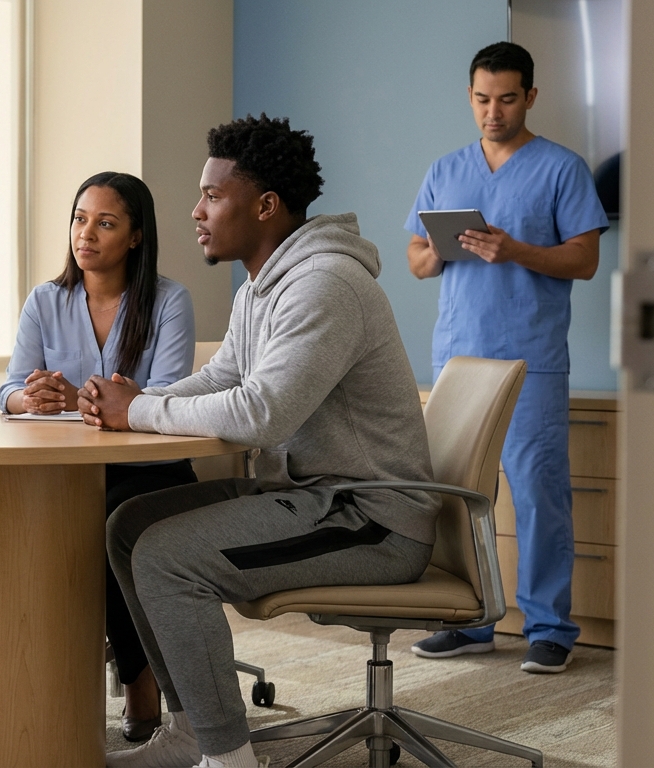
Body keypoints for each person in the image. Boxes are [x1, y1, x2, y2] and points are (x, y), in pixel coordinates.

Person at [83, 115, 438, 768]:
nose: (196, 210)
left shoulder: (324, 285)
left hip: (372, 516)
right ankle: (192, 729)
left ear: (265, 205)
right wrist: (133, 403)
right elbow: (226, 376)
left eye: (213, 196)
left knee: (165, 556)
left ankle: (230, 758)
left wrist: (138, 413)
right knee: (130, 524)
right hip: (314, 497)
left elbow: (261, 412)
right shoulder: (263, 285)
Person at [405, 41, 608, 674]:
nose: (493, 112)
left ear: (531, 97)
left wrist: (513, 250)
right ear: (470, 98)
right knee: (461, 495)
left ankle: (550, 627)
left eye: (507, 99)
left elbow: (585, 259)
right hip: (459, 359)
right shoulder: (446, 169)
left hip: (531, 358)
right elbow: (415, 260)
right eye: (482, 100)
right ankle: (470, 622)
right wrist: (441, 251)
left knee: (540, 495)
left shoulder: (561, 168)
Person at [0, 171, 196, 740]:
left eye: (105, 223)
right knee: (45, 528)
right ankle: (39, 683)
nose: (86, 233)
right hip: (70, 474)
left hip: (152, 472)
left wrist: (83, 398)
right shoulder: (46, 299)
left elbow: (166, 395)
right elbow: (9, 387)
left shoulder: (168, 300)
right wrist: (29, 398)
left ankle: (139, 679)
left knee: (105, 528)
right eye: (80, 219)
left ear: (135, 236)